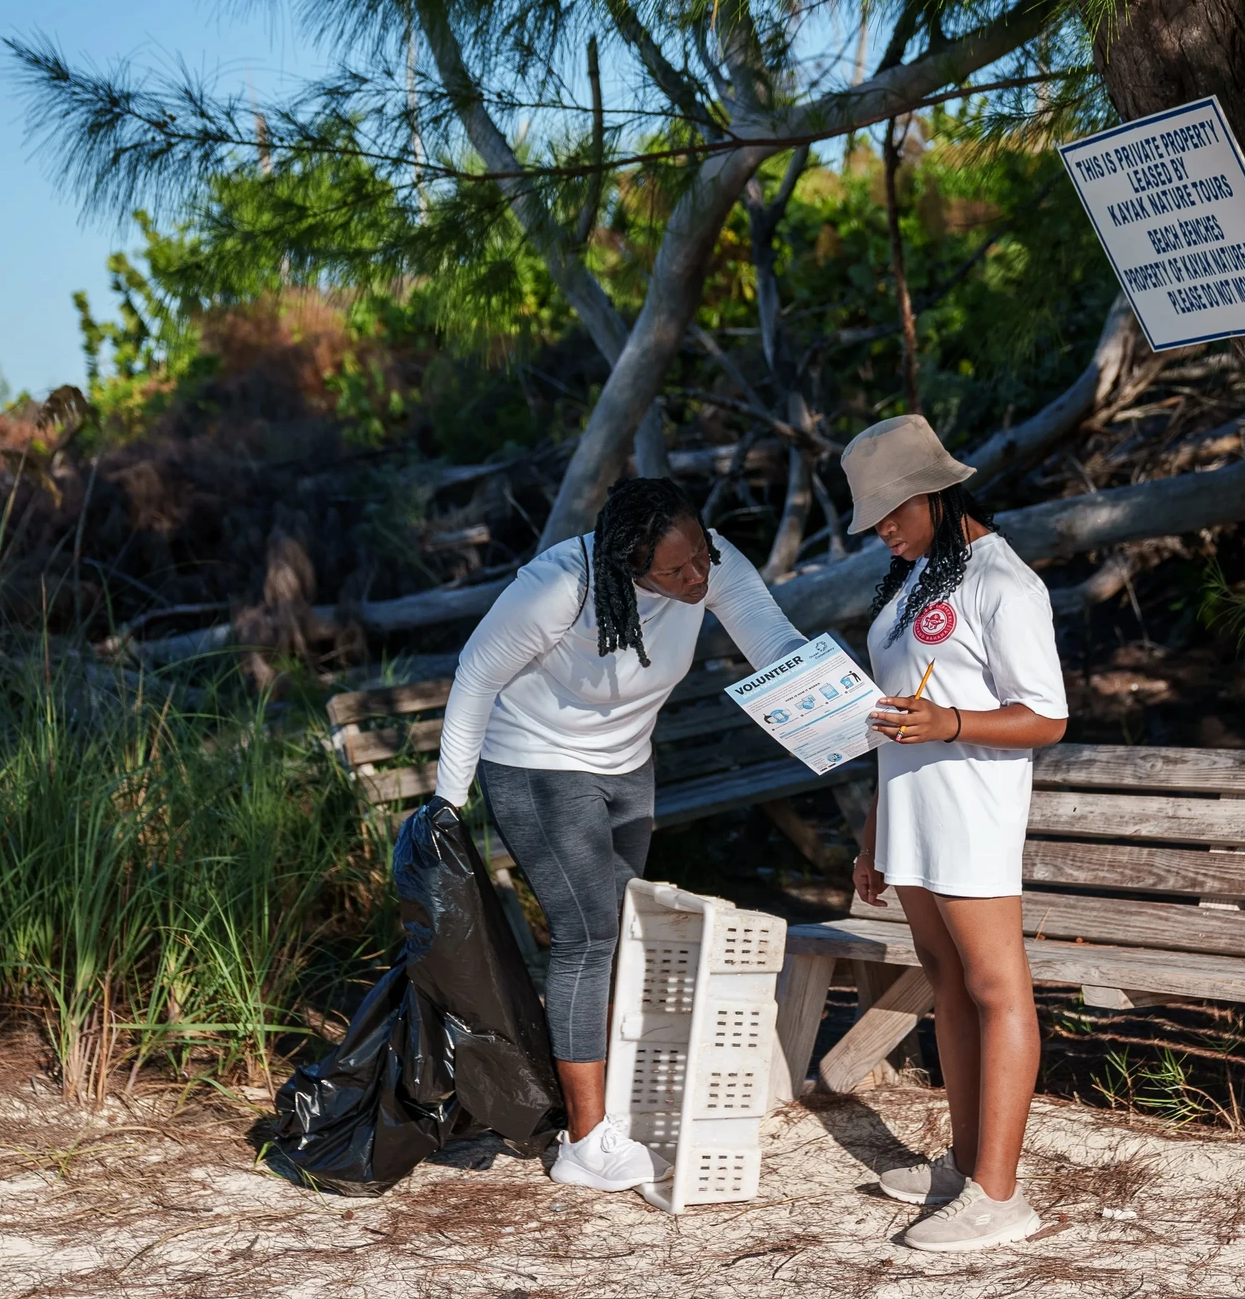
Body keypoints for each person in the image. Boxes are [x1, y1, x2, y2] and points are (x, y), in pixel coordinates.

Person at [428, 477, 806, 1191]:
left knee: (623, 928)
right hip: (536, 762)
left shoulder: (711, 559)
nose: (698, 575)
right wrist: (447, 807)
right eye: (675, 570)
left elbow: (771, 638)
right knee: (588, 932)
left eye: (700, 555)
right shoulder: (560, 587)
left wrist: (841, 705)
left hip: (628, 764)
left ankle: (603, 1107)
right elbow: (475, 677)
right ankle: (585, 1143)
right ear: (627, 567)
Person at [842, 415, 1069, 1252]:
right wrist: (872, 834)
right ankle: (970, 1164)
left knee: (997, 989)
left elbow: (1047, 717)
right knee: (946, 982)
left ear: (935, 493)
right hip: (912, 817)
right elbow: (892, 725)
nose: (883, 531)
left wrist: (952, 723)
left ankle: (1001, 1197)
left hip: (972, 812)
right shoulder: (915, 580)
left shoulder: (1003, 583)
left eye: (892, 513)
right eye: (872, 521)